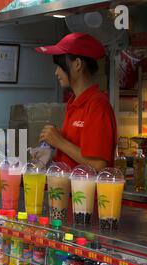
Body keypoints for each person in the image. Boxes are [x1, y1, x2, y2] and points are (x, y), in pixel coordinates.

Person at [36, 32, 117, 171]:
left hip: (86, 193)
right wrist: (54, 141)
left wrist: (60, 141)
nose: (56, 72)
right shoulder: (74, 102)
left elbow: (99, 166)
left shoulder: (98, 105)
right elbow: (74, 153)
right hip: (68, 190)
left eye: (60, 66)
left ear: (77, 64)